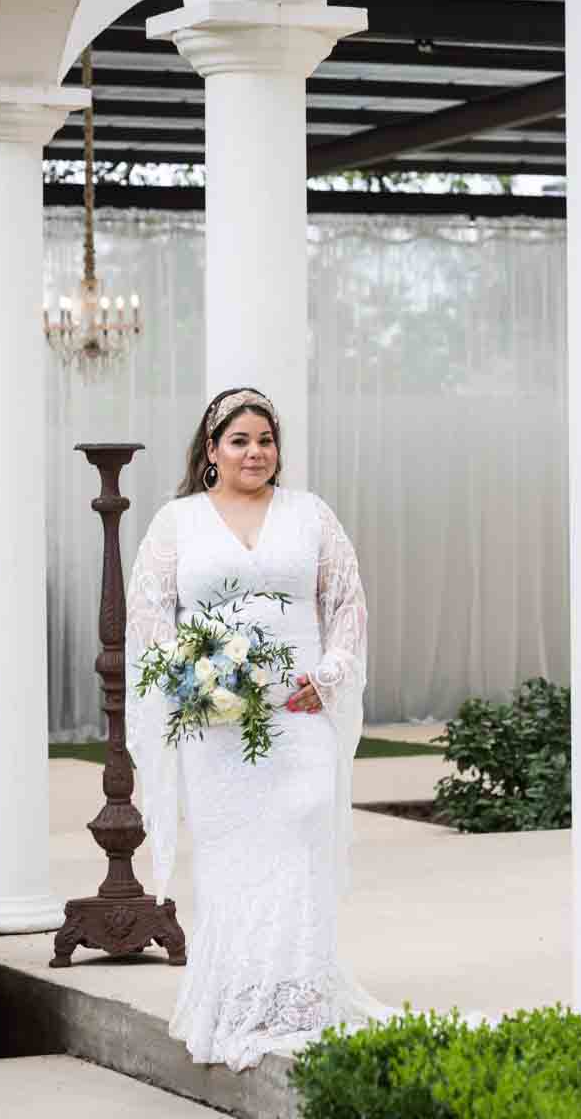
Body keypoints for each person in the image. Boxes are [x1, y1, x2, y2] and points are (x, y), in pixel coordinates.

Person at [124, 386, 388, 1069]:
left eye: (265, 441)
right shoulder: (176, 521)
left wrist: (327, 676)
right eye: (239, 441)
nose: (255, 453)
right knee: (232, 860)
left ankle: (298, 1000)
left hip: (298, 720)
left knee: (298, 844)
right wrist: (193, 676)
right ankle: (239, 997)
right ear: (211, 451)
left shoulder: (310, 515)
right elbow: (149, 614)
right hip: (215, 728)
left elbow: (346, 603)